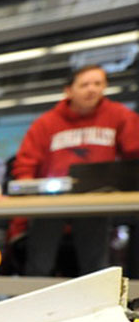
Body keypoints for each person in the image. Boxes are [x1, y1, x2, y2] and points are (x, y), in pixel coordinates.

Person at [14, 65, 139, 276]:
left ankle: (97, 294)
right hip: (52, 200)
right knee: (40, 261)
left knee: (95, 262)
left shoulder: (119, 115)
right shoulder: (46, 122)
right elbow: (26, 160)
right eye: (84, 84)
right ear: (69, 90)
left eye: (98, 84)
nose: (92, 89)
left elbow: (134, 151)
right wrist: (25, 185)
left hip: (96, 198)